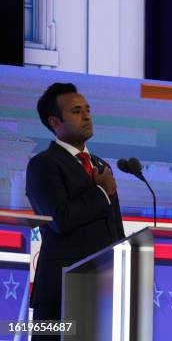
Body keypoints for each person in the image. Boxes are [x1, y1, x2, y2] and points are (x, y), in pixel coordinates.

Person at [26, 83, 125, 338]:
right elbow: (60, 219)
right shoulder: (42, 164)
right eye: (77, 111)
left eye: (88, 110)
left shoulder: (101, 166)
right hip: (61, 291)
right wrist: (101, 192)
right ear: (55, 122)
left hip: (104, 290)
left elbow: (115, 228)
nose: (87, 116)